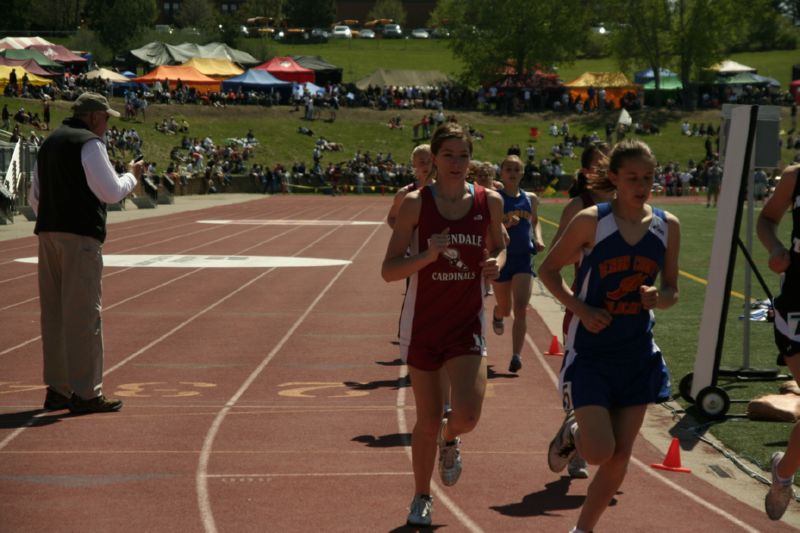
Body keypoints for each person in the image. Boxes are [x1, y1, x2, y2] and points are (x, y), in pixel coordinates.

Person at [538, 139, 680, 533]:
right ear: (614, 177)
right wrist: (581, 309)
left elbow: (671, 290)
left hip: (637, 355)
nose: (641, 185)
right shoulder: (590, 221)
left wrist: (659, 298)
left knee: (620, 456)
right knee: (601, 450)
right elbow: (548, 271)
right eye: (632, 177)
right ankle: (574, 430)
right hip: (591, 353)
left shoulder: (667, 226)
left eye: (648, 178)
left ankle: (582, 529)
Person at [382, 123, 506, 527]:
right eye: (448, 155)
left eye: (463, 155)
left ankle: (451, 440)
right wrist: (426, 257)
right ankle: (421, 495)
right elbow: (389, 269)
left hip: (467, 321)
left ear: (472, 160)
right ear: (433, 158)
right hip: (424, 323)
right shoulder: (417, 204)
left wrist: (496, 264)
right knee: (428, 418)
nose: (456, 163)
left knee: (467, 415)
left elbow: (500, 246)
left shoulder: (490, 202)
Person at [29, 92, 143, 415]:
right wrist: (132, 176)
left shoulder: (49, 143)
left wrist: (55, 216)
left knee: (54, 316)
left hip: (48, 234)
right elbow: (110, 192)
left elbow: (34, 197)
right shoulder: (90, 144)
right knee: (83, 316)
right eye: (106, 118)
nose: (107, 125)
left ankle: (58, 389)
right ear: (93, 117)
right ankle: (86, 392)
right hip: (79, 238)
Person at [549, 142, 613, 480]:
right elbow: (556, 260)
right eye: (602, 162)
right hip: (585, 308)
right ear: (588, 171)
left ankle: (578, 434)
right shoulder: (578, 206)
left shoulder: (630, 203)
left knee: (617, 389)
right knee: (583, 380)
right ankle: (576, 442)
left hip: (625, 312)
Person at [757, 163, 800, 521]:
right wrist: (775, 248)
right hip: (798, 308)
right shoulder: (794, 177)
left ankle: (783, 471)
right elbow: (766, 220)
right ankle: (784, 476)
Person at [490, 155, 544, 373]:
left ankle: (516, 356)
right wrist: (505, 223)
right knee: (506, 308)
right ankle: (497, 313)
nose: (512, 173)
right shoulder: (496, 198)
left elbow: (535, 222)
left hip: (523, 258)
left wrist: (538, 238)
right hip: (503, 257)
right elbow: (490, 225)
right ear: (501, 173)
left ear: (522, 173)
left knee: (521, 308)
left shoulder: (530, 199)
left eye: (517, 169)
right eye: (508, 169)